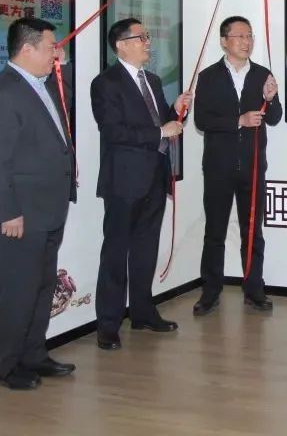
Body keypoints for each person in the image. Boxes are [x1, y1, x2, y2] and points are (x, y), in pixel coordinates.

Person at [0, 18, 77, 389]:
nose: (56, 53)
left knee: (41, 287)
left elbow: (64, 95)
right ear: (27, 49)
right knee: (17, 292)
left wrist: (62, 65)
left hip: (47, 210)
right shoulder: (3, 93)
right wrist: (8, 212)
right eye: (51, 47)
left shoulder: (39, 84)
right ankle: (7, 368)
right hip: (19, 215)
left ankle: (34, 354)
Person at [91, 18, 192, 349]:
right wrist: (161, 131)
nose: (148, 42)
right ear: (121, 45)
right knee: (116, 252)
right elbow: (113, 131)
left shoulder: (153, 79)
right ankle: (108, 324)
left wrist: (176, 111)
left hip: (154, 177)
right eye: (141, 37)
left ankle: (143, 311)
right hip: (124, 181)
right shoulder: (105, 83)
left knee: (146, 249)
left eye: (147, 37)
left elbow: (162, 121)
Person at [192, 17, 282, 315]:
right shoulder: (208, 76)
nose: (247, 41)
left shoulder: (262, 74)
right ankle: (210, 292)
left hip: (253, 166)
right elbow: (202, 121)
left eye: (249, 36)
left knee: (253, 231)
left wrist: (271, 99)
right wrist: (238, 121)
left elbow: (274, 117)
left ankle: (254, 290)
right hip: (218, 167)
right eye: (240, 36)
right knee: (214, 231)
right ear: (224, 41)